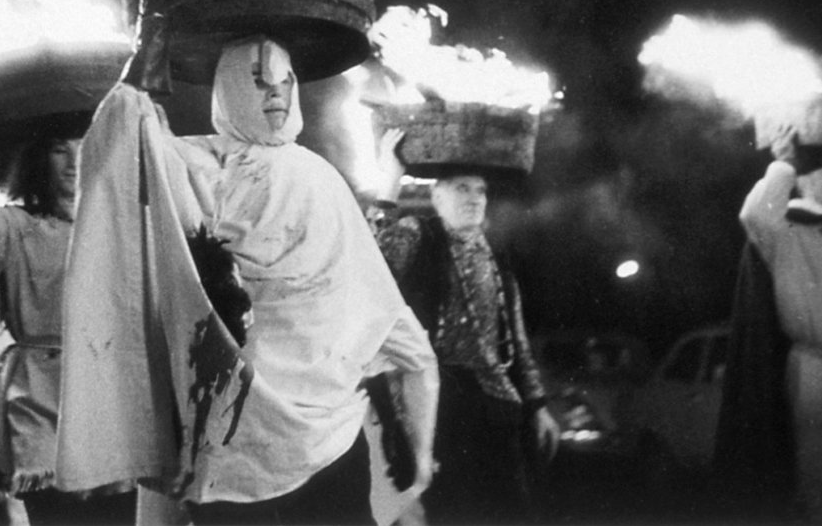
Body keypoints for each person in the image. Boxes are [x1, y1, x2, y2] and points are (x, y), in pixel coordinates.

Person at [55, 32, 439, 525]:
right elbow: (118, 155)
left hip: (327, 446)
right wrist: (139, 76)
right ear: (228, 89)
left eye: (285, 81)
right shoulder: (196, 168)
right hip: (231, 446)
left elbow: (390, 323)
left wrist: (423, 457)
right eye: (257, 82)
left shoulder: (319, 179)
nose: (275, 93)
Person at [0, 97, 137, 525]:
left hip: (109, 391)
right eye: (58, 150)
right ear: (40, 160)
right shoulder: (18, 228)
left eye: (84, 148)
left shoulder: (125, 226)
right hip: (38, 395)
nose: (73, 163)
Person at [369, 128, 560, 524]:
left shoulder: (497, 259)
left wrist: (539, 406)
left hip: (496, 405)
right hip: (439, 405)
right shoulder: (419, 236)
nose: (474, 198)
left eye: (480, 190)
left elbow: (517, 341)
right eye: (461, 189)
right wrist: (391, 178)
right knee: (445, 512)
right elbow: (372, 255)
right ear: (437, 197)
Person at [738, 129, 822, 523]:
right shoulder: (784, 233)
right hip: (815, 369)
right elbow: (755, 212)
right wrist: (784, 163)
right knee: (818, 478)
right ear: (808, 182)